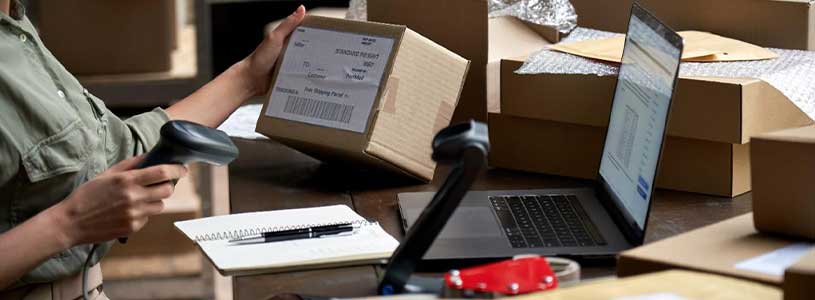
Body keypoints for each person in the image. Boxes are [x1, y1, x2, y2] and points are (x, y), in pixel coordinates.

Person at [0, 0, 306, 298]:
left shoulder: (13, 25)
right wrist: (69, 222)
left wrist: (250, 76)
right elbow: (76, 204)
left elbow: (113, 153)